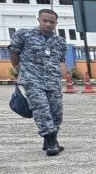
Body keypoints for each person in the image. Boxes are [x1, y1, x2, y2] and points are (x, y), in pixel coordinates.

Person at [9, 9, 68, 156]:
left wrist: (63, 76)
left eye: (51, 22)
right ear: (39, 20)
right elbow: (14, 52)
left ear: (56, 23)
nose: (48, 24)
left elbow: (61, 61)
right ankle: (51, 142)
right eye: (45, 20)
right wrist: (19, 68)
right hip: (32, 79)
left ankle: (49, 140)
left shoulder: (60, 42)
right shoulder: (24, 35)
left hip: (53, 81)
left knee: (56, 112)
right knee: (41, 110)